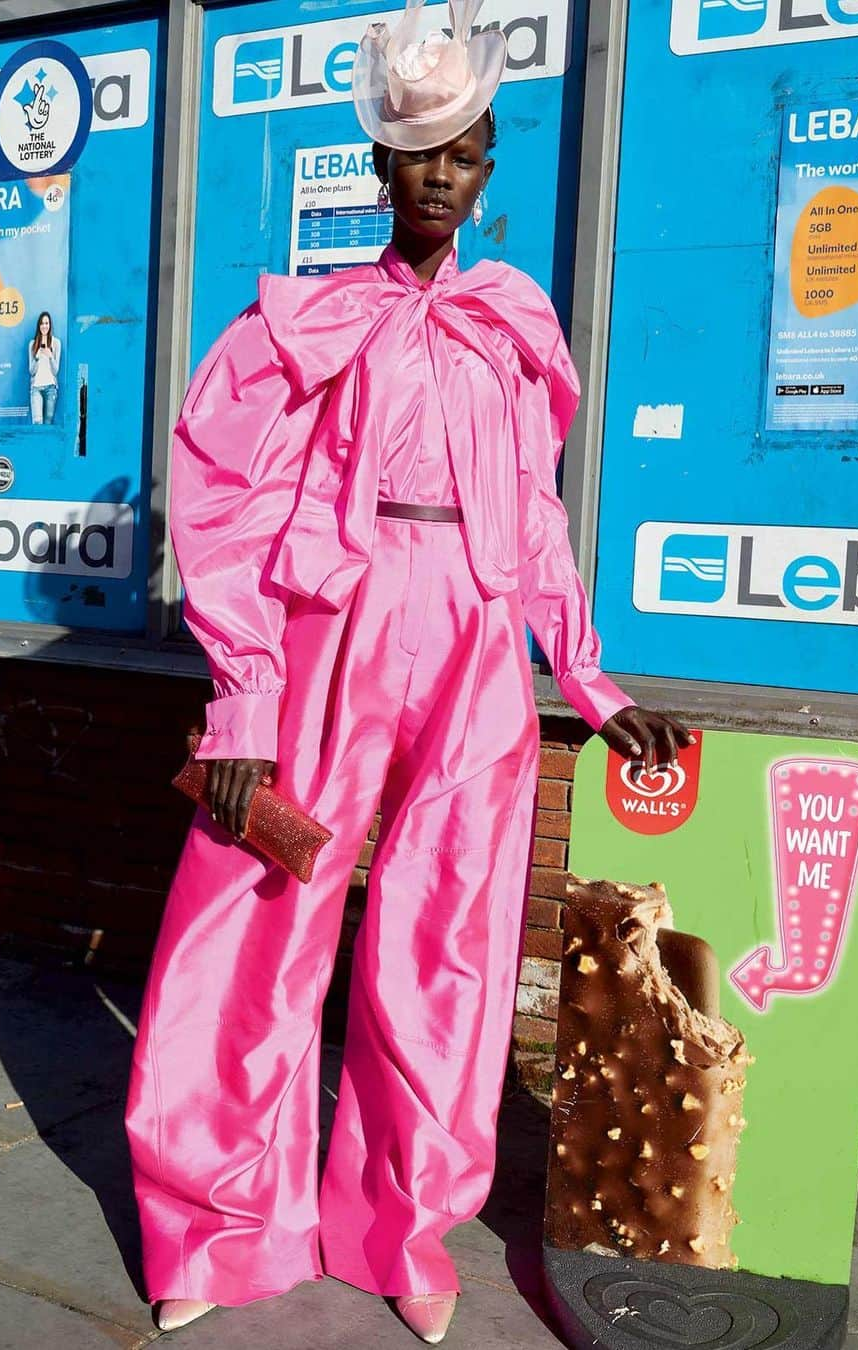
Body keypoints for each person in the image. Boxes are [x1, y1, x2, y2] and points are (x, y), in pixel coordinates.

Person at [123, 1, 691, 1342]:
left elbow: (537, 520)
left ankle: (403, 1221)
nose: (442, 174)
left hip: (480, 652)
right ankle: (216, 1218)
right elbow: (227, 508)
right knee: (259, 913)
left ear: (489, 170)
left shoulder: (512, 323)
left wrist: (594, 687)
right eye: (420, 151)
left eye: (467, 152)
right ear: (382, 165)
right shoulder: (308, 324)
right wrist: (245, 699)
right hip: (337, 631)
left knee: (448, 938)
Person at [27, 311, 60, 424]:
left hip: (51, 388)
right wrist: (37, 357)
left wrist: (50, 357)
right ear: (39, 326)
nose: (44, 326)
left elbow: (56, 371)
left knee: (48, 423)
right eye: (42, 323)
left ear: (50, 325)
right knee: (37, 423)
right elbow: (31, 371)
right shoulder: (33, 344)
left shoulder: (56, 343)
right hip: (36, 388)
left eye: (46, 323)